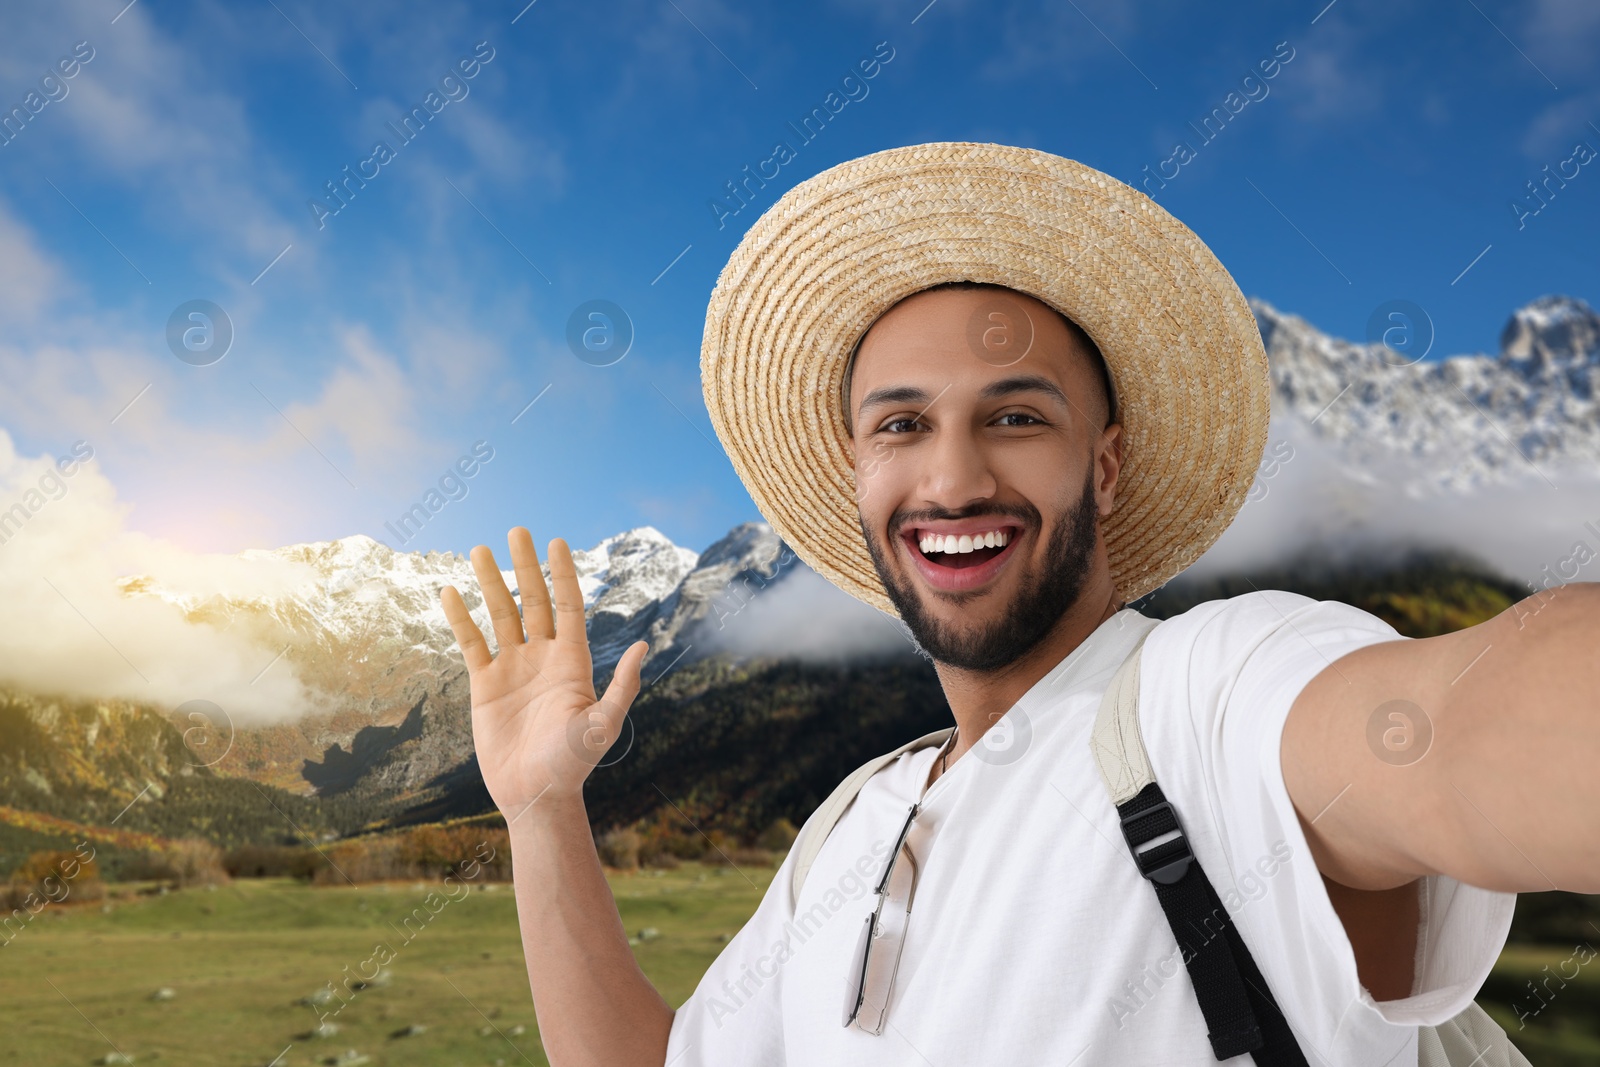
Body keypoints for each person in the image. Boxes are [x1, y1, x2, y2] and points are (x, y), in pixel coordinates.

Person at [439, 143, 1591, 1065]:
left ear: (1106, 464)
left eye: (1015, 415)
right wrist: (543, 810)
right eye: (900, 423)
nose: (949, 479)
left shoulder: (1207, 691)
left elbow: (1473, 724)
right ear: (856, 474)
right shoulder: (853, 818)